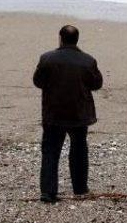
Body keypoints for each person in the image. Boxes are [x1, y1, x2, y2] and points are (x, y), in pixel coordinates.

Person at [33, 25, 103, 203]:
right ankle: (79, 188)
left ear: (60, 38)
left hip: (53, 112)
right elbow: (96, 84)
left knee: (50, 151)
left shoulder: (47, 58)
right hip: (79, 113)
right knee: (79, 149)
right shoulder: (88, 61)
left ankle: (48, 192)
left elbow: (38, 81)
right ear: (77, 39)